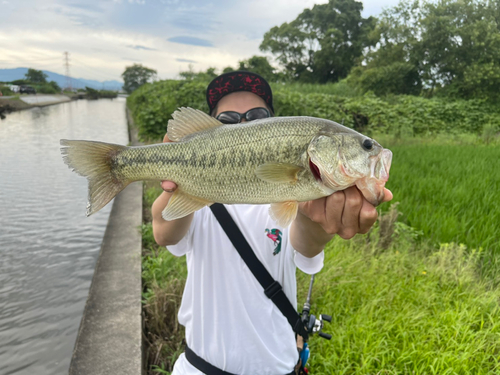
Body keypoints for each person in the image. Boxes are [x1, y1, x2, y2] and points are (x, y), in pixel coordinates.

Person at [152, 71, 393, 375]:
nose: (243, 124)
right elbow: (163, 232)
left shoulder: (292, 200)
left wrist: (320, 220)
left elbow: (307, 241)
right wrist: (173, 179)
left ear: (271, 125)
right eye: (227, 119)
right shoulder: (200, 198)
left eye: (257, 116)